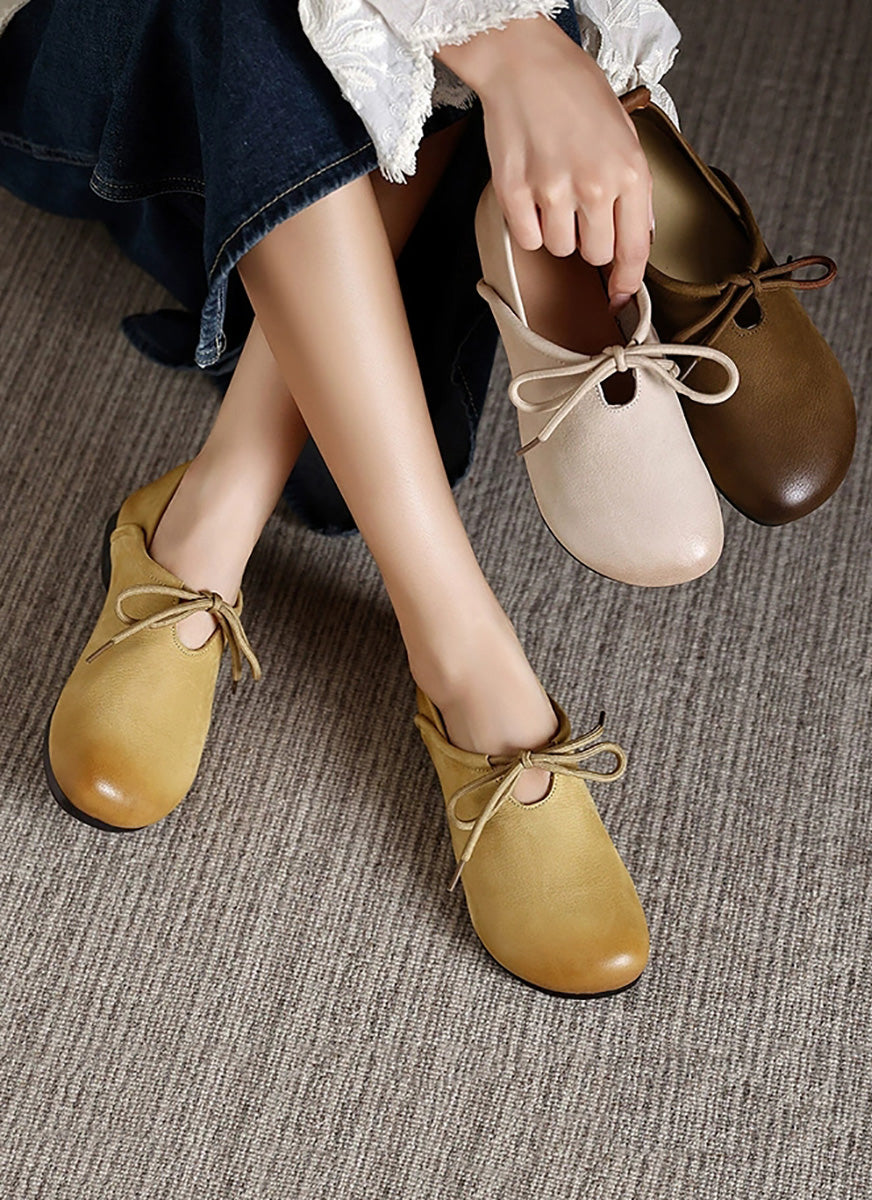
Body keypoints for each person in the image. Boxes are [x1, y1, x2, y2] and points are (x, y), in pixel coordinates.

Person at [0, 0, 690, 996]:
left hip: (381, 167)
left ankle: (215, 501)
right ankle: (469, 664)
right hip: (133, 69)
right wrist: (508, 45)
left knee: (339, 472)